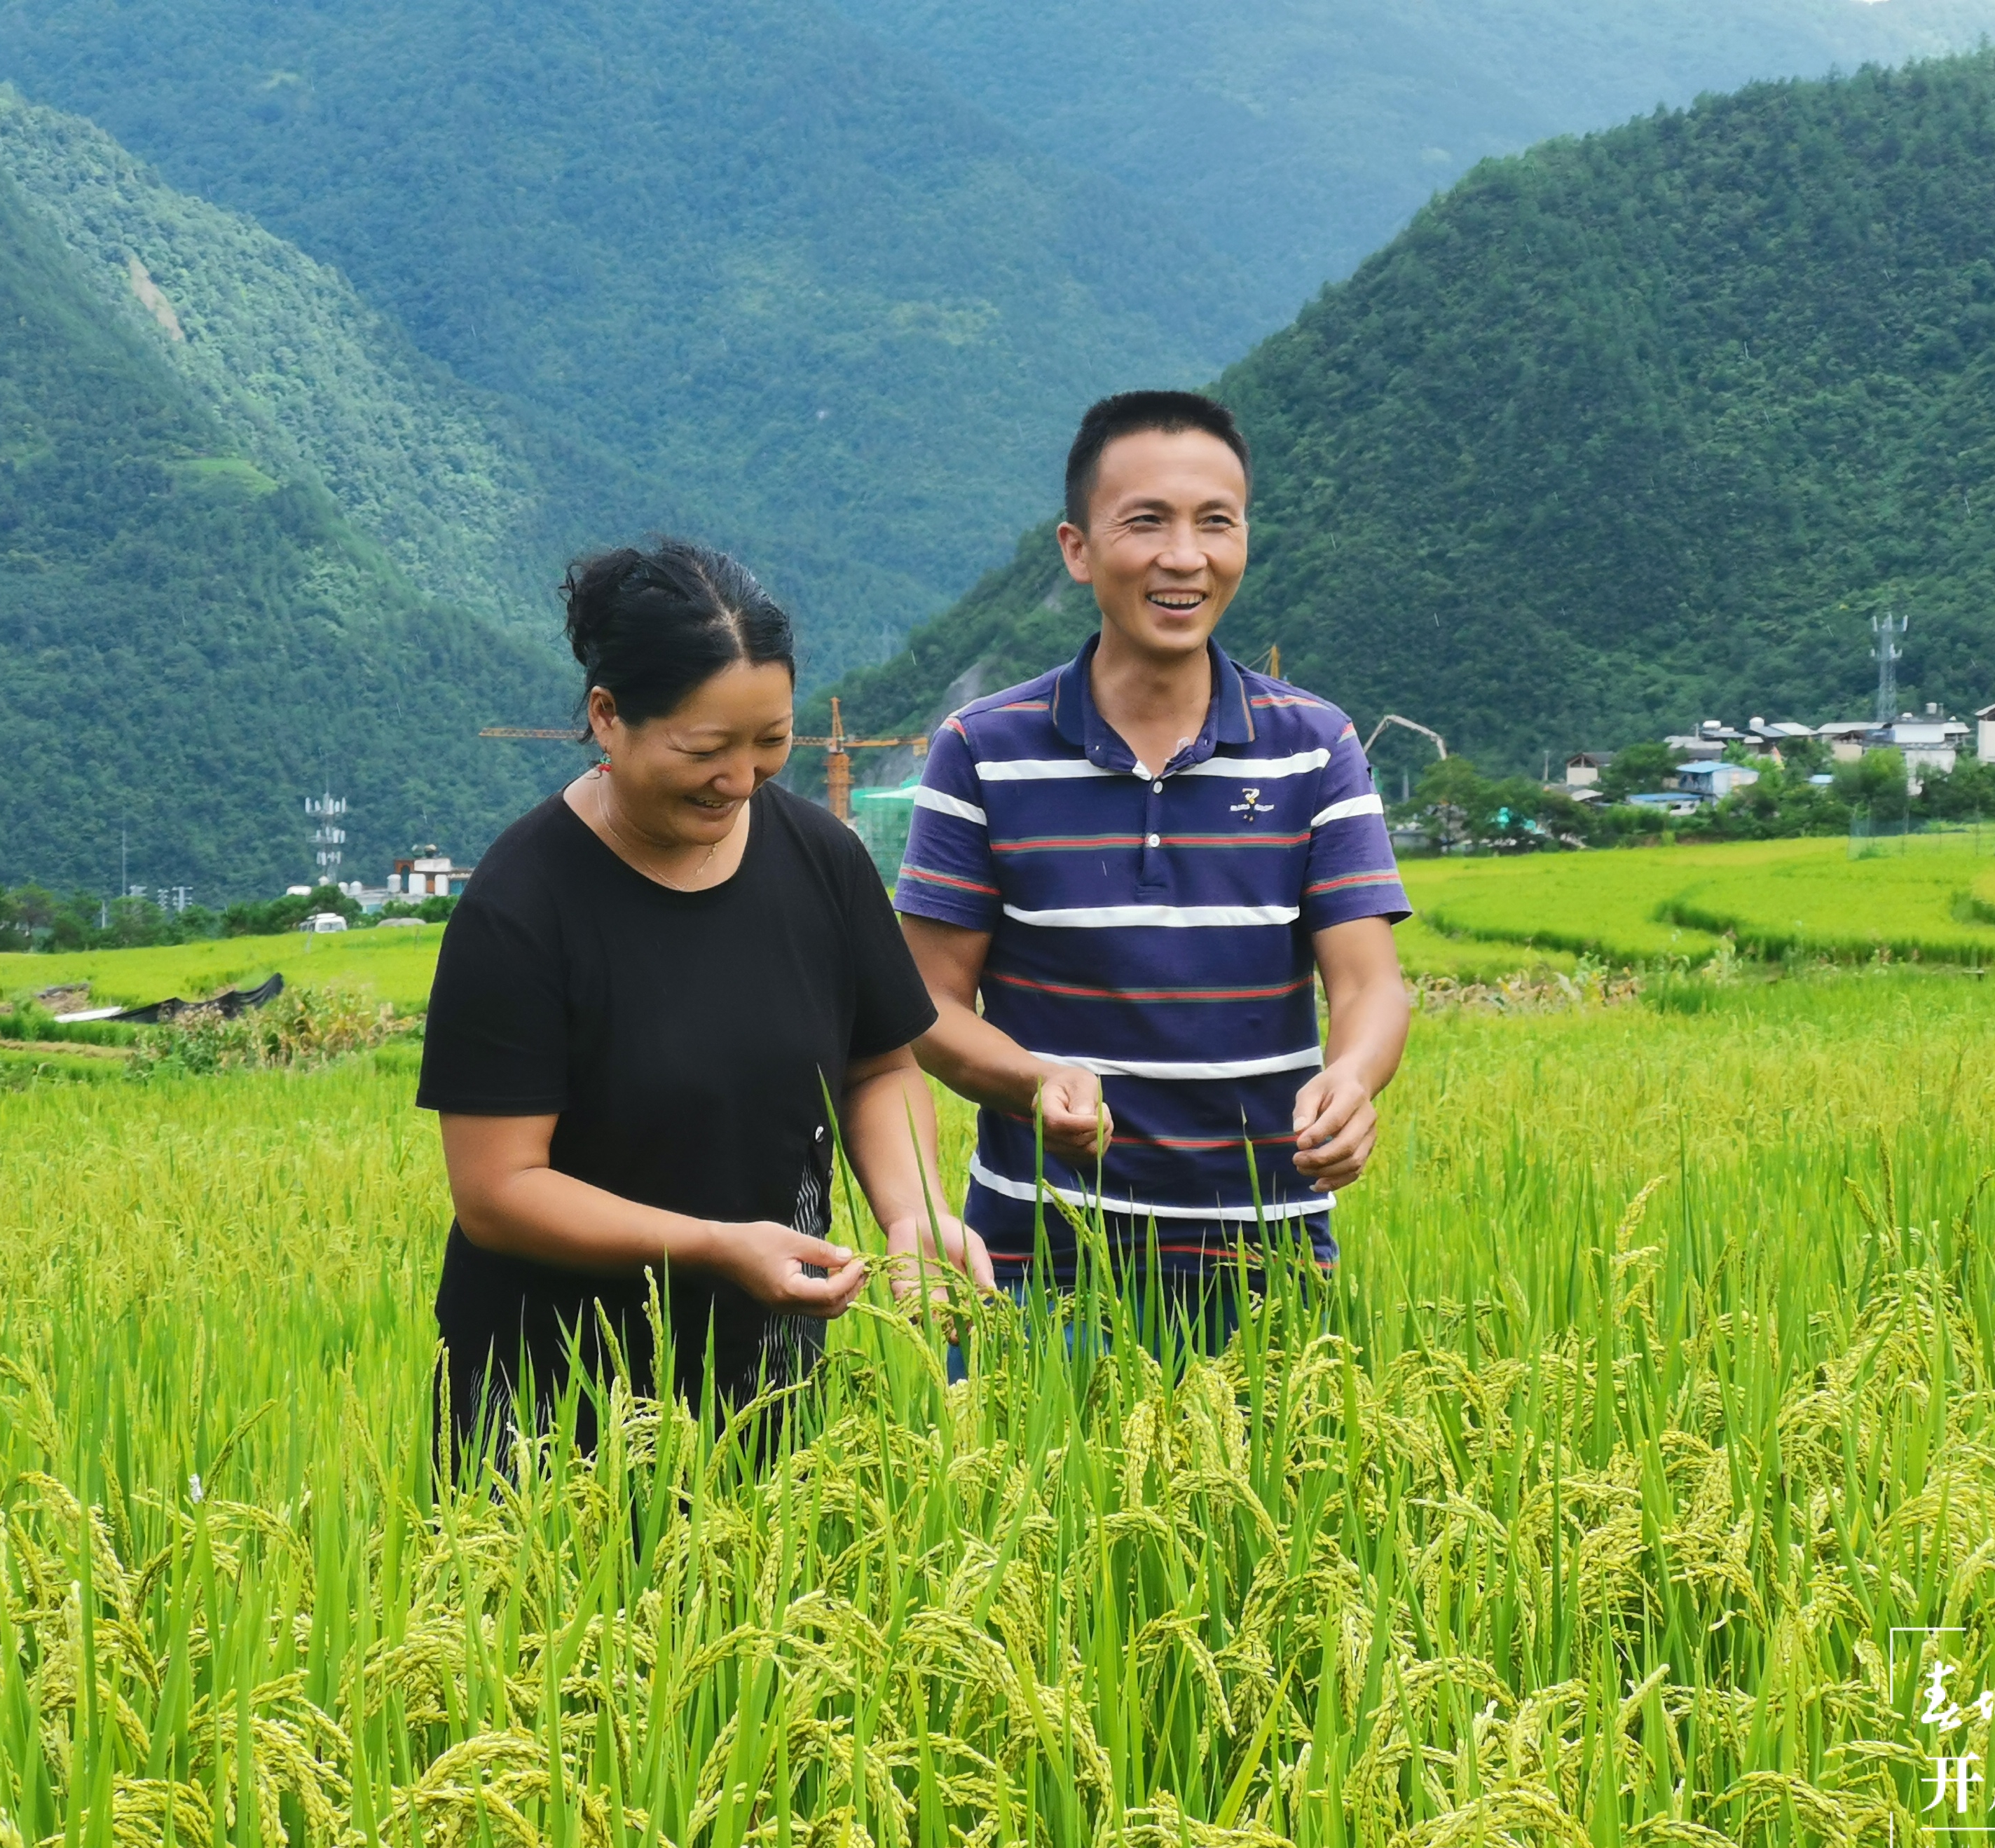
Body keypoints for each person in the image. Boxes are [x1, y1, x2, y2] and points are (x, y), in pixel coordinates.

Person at [418, 539, 989, 1460]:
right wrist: (715, 1245)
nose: (742, 779)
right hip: (549, 1400)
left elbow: (879, 1066)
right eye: (705, 749)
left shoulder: (821, 862)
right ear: (608, 718)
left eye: (771, 741)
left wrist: (913, 1209)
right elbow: (498, 1189)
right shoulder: (522, 907)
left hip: (765, 1375)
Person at [895, 390, 1411, 1321]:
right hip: (1036, 1270)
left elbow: (1371, 983)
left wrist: (1354, 1076)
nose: (1186, 556)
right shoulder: (981, 749)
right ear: (1077, 550)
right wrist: (1033, 1080)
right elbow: (925, 1003)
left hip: (1273, 1268)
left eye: (1217, 522)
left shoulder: (1317, 747)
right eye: (1147, 523)